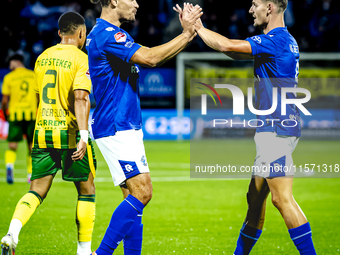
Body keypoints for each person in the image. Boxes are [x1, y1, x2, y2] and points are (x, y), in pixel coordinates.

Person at [174, 0, 316, 254]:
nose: (250, 10)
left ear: (270, 7)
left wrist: (196, 26)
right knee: (255, 200)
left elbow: (227, 44)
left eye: (255, 5)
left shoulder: (276, 40)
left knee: (281, 199)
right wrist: (200, 29)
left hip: (276, 129)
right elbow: (233, 51)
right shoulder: (284, 40)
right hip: (274, 127)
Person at [86, 0, 202, 254]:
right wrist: (186, 34)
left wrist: (187, 35)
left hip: (123, 123)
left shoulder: (113, 34)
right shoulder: (108, 34)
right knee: (143, 193)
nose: (138, 3)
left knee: (132, 198)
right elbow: (150, 58)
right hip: (116, 125)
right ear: (114, 1)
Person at [1, 12, 96, 255]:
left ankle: (12, 232)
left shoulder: (41, 58)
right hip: (70, 134)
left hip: (42, 132)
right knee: (86, 191)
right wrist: (83, 136)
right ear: (81, 33)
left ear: (59, 33)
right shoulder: (81, 58)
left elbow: (37, 100)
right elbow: (81, 97)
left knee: (36, 190)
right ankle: (84, 252)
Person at [1, 54, 37, 184]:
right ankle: (30, 174)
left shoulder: (9, 77)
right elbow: (38, 96)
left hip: (15, 113)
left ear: (16, 62)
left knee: (12, 145)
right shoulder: (34, 75)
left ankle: (10, 166)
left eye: (10, 63)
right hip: (32, 114)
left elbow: (5, 100)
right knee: (32, 147)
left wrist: (5, 113)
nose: (9, 66)